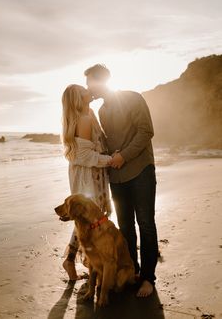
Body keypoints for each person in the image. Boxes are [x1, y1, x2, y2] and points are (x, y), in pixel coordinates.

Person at [85, 64, 158, 297]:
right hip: (116, 177)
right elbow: (105, 143)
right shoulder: (102, 111)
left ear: (100, 81)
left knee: (145, 223)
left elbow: (145, 131)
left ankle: (148, 278)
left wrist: (123, 156)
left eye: (90, 83)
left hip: (141, 170)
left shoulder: (133, 98)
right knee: (125, 227)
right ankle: (132, 271)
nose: (89, 89)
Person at [61, 84, 112, 280]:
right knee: (87, 218)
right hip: (87, 176)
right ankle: (74, 260)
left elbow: (97, 145)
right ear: (77, 99)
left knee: (89, 218)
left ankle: (81, 261)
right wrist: (110, 160)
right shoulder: (82, 119)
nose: (89, 92)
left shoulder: (89, 113)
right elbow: (85, 156)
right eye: (84, 92)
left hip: (93, 172)